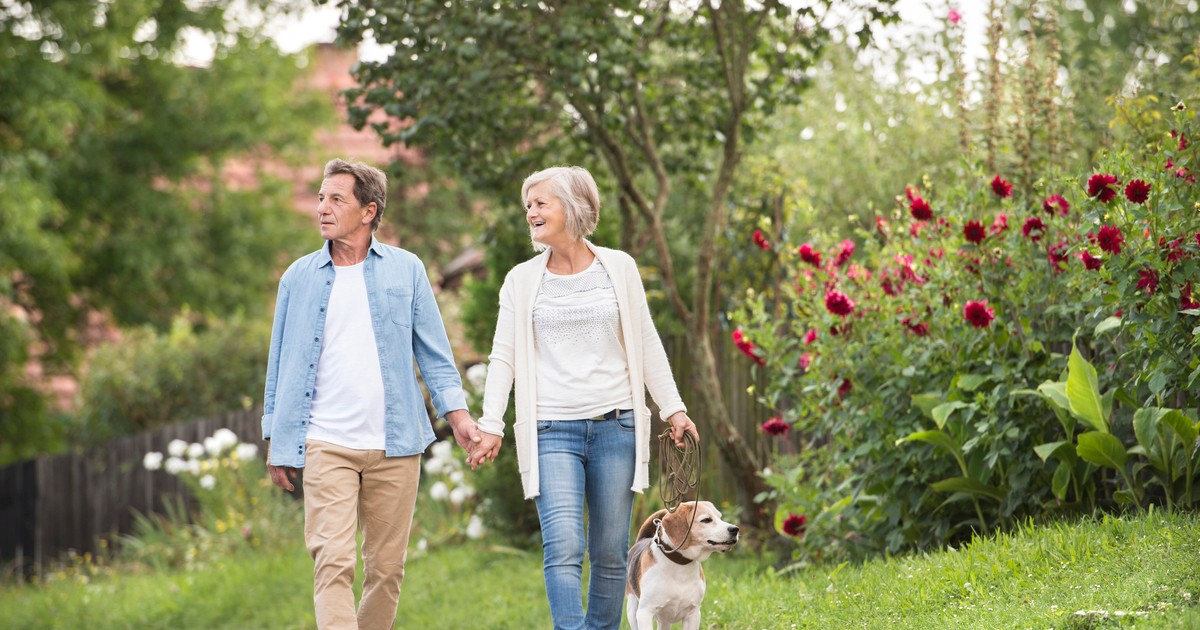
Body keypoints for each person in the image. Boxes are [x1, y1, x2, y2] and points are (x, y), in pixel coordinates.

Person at [471, 165, 698, 630]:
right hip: (551, 429)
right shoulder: (520, 280)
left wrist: (672, 407)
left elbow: (647, 341)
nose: (530, 213)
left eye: (540, 203)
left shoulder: (619, 267)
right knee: (563, 547)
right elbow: (503, 357)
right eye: (527, 206)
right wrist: (491, 422)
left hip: (617, 426)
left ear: (573, 207)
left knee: (611, 551)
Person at [262, 158, 482, 629]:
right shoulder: (297, 278)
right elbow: (278, 365)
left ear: (368, 211)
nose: (322, 207)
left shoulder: (406, 270)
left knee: (386, 571)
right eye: (321, 197)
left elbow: (436, 355)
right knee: (333, 562)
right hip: (326, 442)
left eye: (336, 199)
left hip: (395, 442)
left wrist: (460, 418)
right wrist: (278, 441)